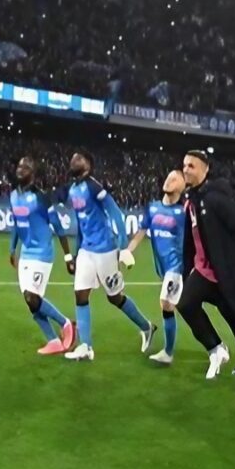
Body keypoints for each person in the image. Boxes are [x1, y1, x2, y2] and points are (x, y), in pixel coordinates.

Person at [179, 148, 235, 383]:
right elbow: (191, 239)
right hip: (204, 271)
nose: (186, 169)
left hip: (225, 272)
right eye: (184, 165)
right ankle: (216, 349)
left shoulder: (215, 198)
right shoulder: (192, 199)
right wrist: (185, 270)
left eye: (192, 166)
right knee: (186, 304)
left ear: (205, 170)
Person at [64, 151, 155, 360]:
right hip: (87, 250)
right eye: (73, 158)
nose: (73, 160)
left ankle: (146, 326)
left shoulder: (94, 186)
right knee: (80, 294)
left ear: (87, 166)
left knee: (114, 297)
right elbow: (80, 224)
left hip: (105, 249)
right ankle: (86, 346)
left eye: (79, 158)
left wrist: (123, 247)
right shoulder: (73, 190)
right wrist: (77, 253)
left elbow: (116, 213)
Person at [135, 169, 211, 368]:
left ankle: (168, 353)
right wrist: (128, 250)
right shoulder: (152, 208)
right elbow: (141, 231)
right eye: (168, 176)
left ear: (183, 186)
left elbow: (195, 238)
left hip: (178, 266)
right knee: (189, 308)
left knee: (167, 304)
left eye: (175, 178)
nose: (169, 180)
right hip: (163, 267)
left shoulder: (183, 212)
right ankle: (215, 346)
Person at [5, 157, 75, 355]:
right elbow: (17, 225)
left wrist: (68, 257)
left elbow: (58, 227)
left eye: (26, 167)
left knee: (32, 297)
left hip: (42, 252)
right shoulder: (13, 196)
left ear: (33, 173)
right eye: (19, 165)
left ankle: (66, 323)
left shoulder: (41, 198)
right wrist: (12, 249)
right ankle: (53, 341)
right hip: (26, 253)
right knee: (31, 303)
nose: (21, 169)